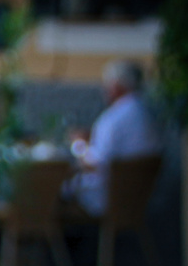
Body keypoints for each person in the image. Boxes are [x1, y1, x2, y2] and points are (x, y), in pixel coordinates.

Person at [66, 59, 162, 216]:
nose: (105, 89)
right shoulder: (145, 112)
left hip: (108, 197)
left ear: (117, 85)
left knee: (51, 186)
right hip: (138, 197)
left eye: (108, 83)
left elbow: (95, 163)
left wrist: (78, 145)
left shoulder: (114, 118)